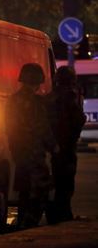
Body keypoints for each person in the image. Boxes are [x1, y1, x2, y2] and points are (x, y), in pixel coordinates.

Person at [5, 63, 57, 228]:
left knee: (24, 191)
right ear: (37, 81)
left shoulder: (12, 101)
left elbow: (9, 127)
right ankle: (28, 225)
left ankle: (22, 224)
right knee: (40, 190)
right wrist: (53, 146)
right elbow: (42, 127)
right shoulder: (36, 103)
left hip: (19, 152)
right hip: (34, 153)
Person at [46, 66, 86, 223]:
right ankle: (63, 215)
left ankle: (53, 215)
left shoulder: (49, 97)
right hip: (66, 147)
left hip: (51, 146)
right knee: (66, 184)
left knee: (54, 183)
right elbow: (78, 120)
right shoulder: (69, 97)